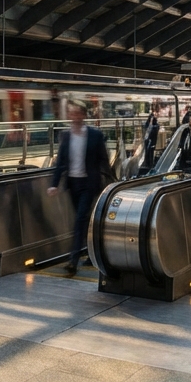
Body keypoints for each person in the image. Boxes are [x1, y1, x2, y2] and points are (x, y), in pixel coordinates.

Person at [47, 103, 112, 276]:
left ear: (83, 115)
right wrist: (54, 184)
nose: (74, 117)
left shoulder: (95, 135)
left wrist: (112, 183)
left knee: (79, 220)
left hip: (89, 184)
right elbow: (60, 162)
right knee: (82, 220)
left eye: (77, 114)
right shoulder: (66, 136)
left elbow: (103, 160)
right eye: (71, 114)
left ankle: (73, 261)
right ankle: (93, 252)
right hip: (73, 184)